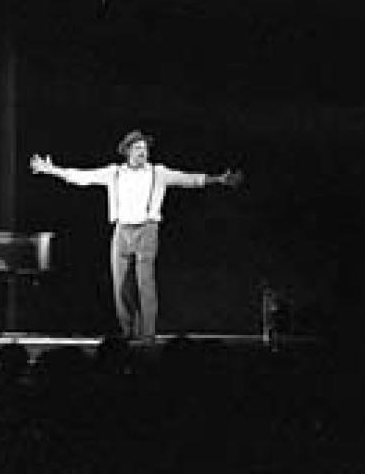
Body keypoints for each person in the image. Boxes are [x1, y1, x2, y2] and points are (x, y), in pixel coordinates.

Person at [30, 129, 241, 342]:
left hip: (146, 230)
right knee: (121, 285)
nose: (143, 152)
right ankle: (128, 331)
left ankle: (147, 334)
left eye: (145, 148)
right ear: (128, 151)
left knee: (145, 283)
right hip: (122, 230)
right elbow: (83, 177)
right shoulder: (114, 172)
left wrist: (219, 179)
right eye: (138, 148)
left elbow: (190, 179)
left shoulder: (158, 173)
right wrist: (51, 170)